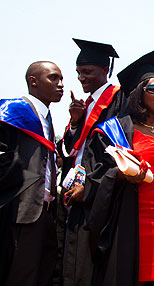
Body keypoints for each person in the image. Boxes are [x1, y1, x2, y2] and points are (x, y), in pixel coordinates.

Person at [85, 50, 154, 286]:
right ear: (137, 93)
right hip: (132, 221)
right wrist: (121, 175)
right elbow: (97, 176)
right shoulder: (115, 130)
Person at [58, 38, 126, 286]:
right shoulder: (84, 105)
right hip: (73, 192)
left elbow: (117, 150)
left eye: (86, 71)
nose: (81, 78)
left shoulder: (118, 100)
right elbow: (72, 149)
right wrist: (75, 122)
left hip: (96, 194)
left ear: (105, 70)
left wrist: (90, 185)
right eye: (78, 72)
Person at [0, 61, 64, 285]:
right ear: (33, 81)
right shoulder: (12, 112)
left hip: (46, 214)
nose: (61, 85)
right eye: (53, 78)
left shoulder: (46, 118)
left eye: (61, 79)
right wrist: (21, 184)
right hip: (21, 212)